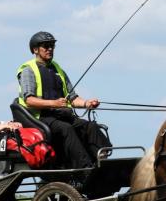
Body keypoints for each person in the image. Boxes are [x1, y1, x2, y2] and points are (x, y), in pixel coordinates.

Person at [16, 31, 111, 170]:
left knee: (89, 126)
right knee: (66, 129)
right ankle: (84, 167)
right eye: (46, 46)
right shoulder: (28, 70)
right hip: (40, 118)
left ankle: (102, 160)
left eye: (52, 46)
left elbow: (72, 98)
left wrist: (86, 103)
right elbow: (29, 100)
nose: (50, 49)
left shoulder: (58, 69)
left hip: (62, 115)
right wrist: (53, 103)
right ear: (35, 49)